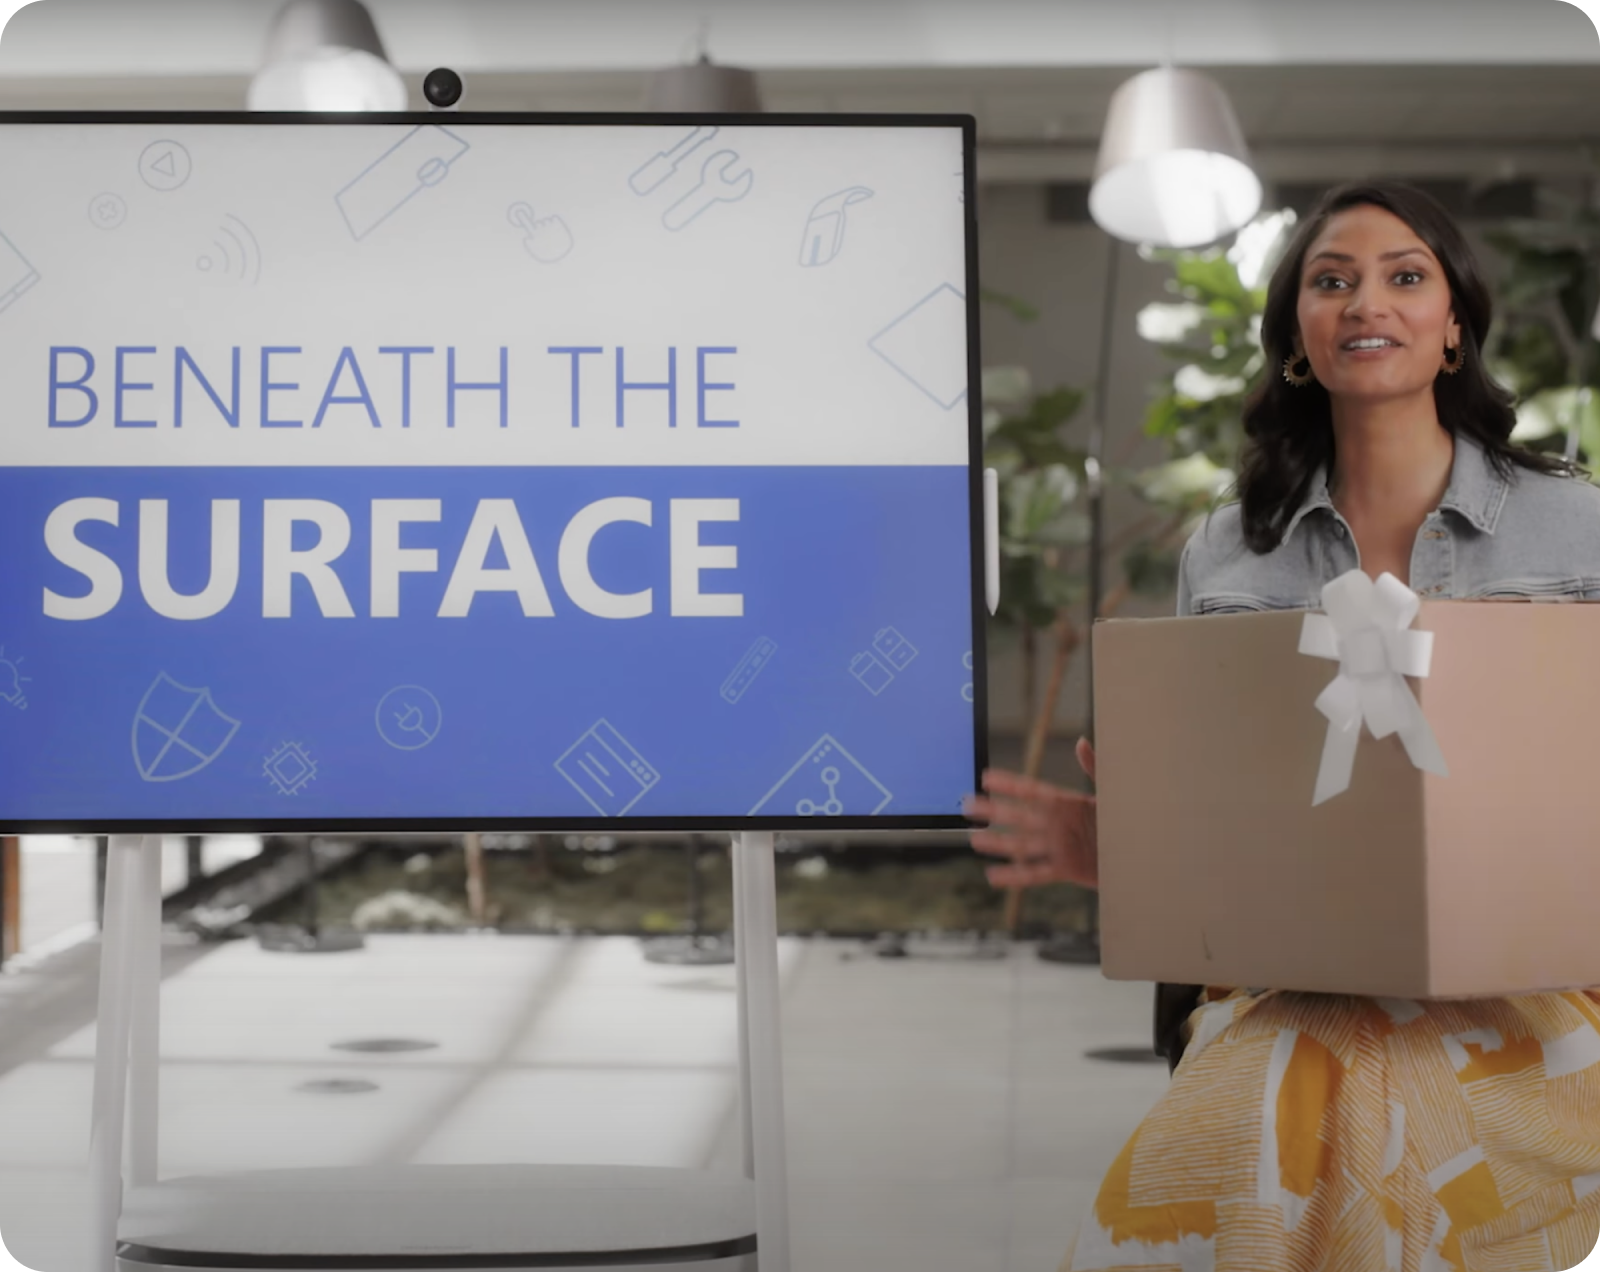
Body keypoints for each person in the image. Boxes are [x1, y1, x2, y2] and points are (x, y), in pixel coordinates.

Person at [965, 180, 1600, 1272]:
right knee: (1314, 1062)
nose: (1369, 302)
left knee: (1309, 1090)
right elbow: (1222, 814)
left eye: (1406, 277)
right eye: (1332, 280)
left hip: (1542, 984)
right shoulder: (1228, 552)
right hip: (1285, 981)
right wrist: (1129, 853)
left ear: (1453, 327)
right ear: (1297, 336)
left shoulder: (1580, 525)